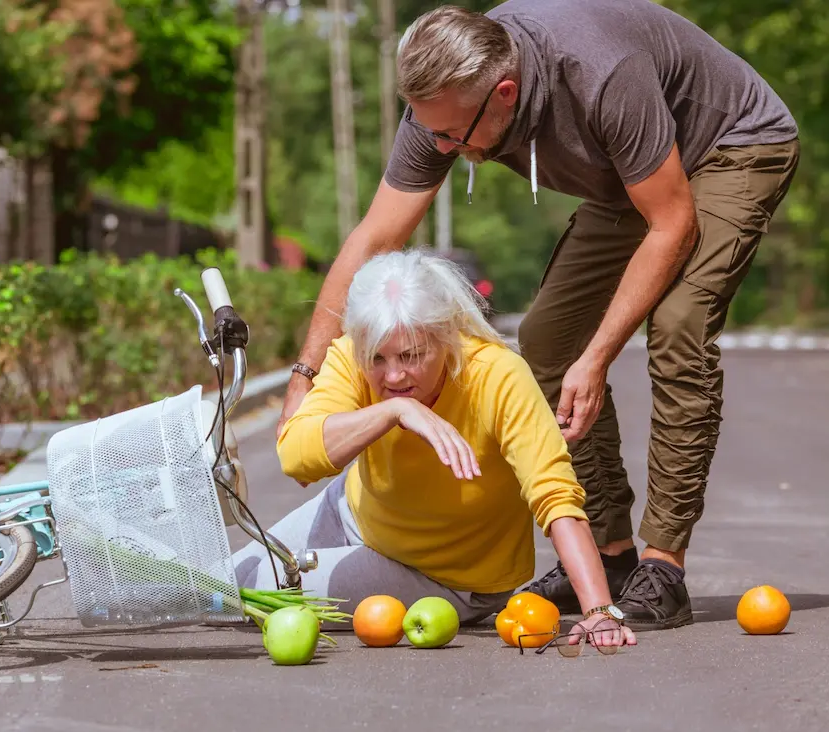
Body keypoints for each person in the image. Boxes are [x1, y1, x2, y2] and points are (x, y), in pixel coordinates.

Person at [275, 0, 800, 631]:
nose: (440, 146)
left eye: (452, 137)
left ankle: (664, 564)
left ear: (504, 93)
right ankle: (609, 558)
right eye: (429, 131)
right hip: (628, 174)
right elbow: (373, 240)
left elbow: (673, 221)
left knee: (679, 326)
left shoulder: (601, 73)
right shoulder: (441, 103)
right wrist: (304, 374)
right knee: (547, 340)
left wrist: (600, 354)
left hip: (731, 145)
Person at [232, 249, 637, 648]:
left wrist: (600, 611)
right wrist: (396, 409)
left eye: (412, 355)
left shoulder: (497, 375)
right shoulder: (354, 356)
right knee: (221, 576)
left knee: (240, 593)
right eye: (378, 358)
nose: (394, 374)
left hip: (443, 576)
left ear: (446, 335)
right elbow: (296, 455)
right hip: (351, 513)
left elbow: (555, 496)